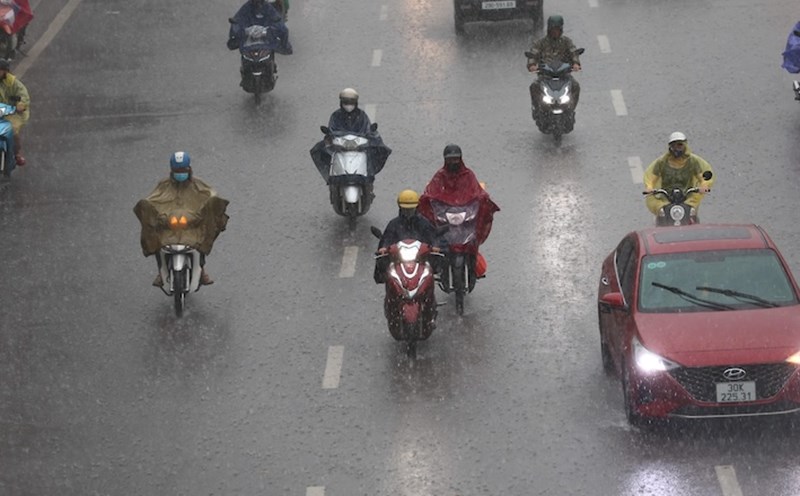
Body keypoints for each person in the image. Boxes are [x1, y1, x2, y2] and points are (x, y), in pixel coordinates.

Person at [133, 152, 230, 288]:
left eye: (183, 171)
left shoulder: (199, 185)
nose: (180, 174)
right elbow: (152, 201)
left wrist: (201, 215)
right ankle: (162, 271)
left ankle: (201, 269)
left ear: (189, 169)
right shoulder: (164, 185)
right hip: (167, 227)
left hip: (193, 227)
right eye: (177, 171)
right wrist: (160, 217)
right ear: (172, 170)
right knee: (156, 239)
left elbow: (211, 197)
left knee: (201, 240)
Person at [374, 190, 440, 283]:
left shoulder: (424, 223)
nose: (408, 212)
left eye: (411, 209)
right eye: (406, 210)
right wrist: (384, 248)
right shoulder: (394, 224)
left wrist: (435, 246)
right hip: (399, 260)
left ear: (417, 208)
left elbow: (432, 236)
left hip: (420, 260)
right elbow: (387, 238)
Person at [643, 132, 715, 216]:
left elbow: (704, 175)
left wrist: (704, 186)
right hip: (666, 198)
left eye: (679, 145)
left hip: (687, 197)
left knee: (691, 211)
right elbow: (651, 176)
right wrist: (649, 187)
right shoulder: (662, 162)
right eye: (673, 146)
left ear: (685, 145)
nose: (676, 148)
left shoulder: (693, 161)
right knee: (659, 209)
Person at [526, 15, 581, 110]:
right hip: (545, 76)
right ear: (549, 29)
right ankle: (537, 109)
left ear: (561, 29)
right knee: (534, 87)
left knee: (575, 86)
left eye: (557, 29)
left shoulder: (566, 42)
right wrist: (532, 65)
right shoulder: (540, 43)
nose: (555, 32)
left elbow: (573, 52)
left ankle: (571, 109)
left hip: (563, 75)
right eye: (553, 29)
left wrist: (576, 64)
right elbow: (533, 54)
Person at [227, 0, 292, 55]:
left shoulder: (267, 7)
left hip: (267, 29)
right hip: (251, 34)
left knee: (282, 29)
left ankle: (284, 46)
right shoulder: (247, 7)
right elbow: (238, 18)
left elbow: (279, 22)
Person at [0, 58, 30, 166]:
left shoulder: (13, 83)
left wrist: (21, 105)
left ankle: (17, 154)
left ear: (5, 71)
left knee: (13, 131)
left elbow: (24, 95)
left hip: (13, 113)